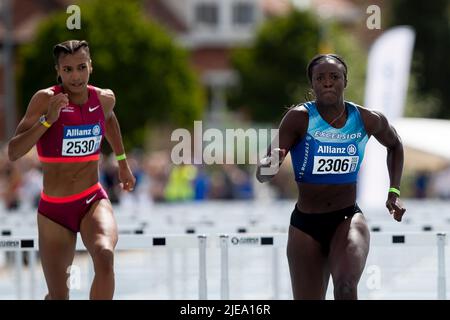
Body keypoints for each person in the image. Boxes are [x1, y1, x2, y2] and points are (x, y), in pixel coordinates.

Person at [256, 54, 406, 300]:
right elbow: (261, 175)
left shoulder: (367, 119)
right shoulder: (299, 118)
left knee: (346, 287)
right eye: (320, 78)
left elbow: (395, 144)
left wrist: (394, 192)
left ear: (345, 81)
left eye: (334, 77)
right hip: (305, 225)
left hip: (347, 219)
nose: (327, 83)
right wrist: (269, 165)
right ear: (313, 84)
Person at [8, 40, 136, 300]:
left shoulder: (105, 98)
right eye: (67, 70)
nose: (75, 76)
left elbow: (109, 121)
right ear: (58, 71)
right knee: (59, 297)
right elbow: (14, 151)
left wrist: (123, 163)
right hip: (54, 211)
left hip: (92, 199)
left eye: (81, 67)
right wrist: (47, 121)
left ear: (91, 66)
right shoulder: (45, 99)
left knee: (104, 254)